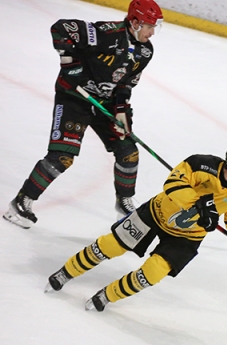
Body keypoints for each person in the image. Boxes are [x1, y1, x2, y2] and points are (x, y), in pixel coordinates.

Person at [44, 141, 227, 312]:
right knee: (110, 246)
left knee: (153, 272)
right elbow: (173, 183)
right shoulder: (200, 164)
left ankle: (107, 295)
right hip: (157, 212)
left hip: (188, 236)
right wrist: (199, 204)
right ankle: (66, 272)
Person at [3, 0, 164, 229]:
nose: (152, 32)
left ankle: (124, 202)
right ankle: (22, 201)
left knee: (128, 151)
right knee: (62, 156)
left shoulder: (145, 51)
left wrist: (121, 113)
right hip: (74, 98)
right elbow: (61, 28)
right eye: (149, 26)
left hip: (104, 104)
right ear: (135, 22)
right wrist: (71, 63)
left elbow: (125, 85)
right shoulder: (107, 33)